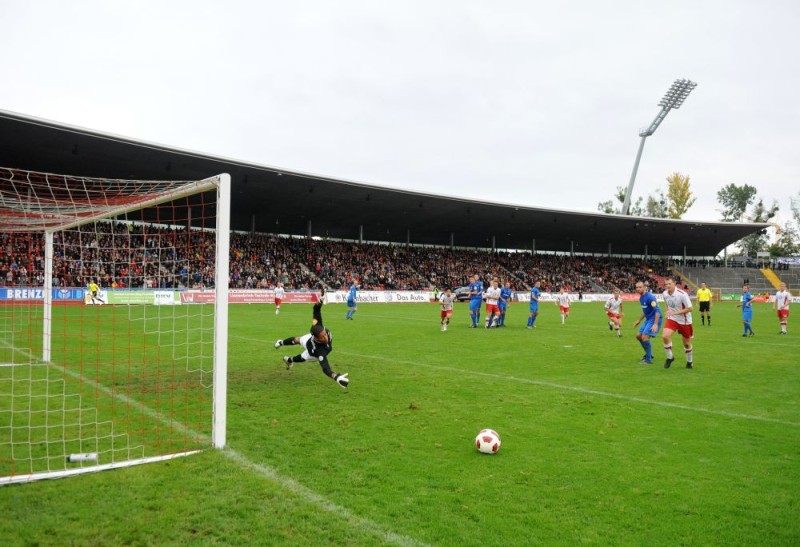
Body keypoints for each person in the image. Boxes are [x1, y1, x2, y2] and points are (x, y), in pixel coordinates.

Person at [275, 291, 349, 388]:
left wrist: (320, 301)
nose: (325, 337)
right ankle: (280, 343)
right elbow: (326, 368)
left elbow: (316, 309)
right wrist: (336, 377)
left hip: (312, 346)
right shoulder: (318, 348)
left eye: (325, 334)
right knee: (298, 341)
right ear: (316, 337)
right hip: (311, 347)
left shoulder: (318, 326)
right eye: (322, 337)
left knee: (302, 356)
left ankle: (289, 360)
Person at [661, 277, 694, 369]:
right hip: (672, 318)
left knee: (686, 344)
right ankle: (670, 357)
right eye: (666, 284)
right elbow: (666, 302)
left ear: (674, 284)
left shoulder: (682, 294)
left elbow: (690, 308)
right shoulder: (665, 293)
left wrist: (673, 312)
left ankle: (689, 361)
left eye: (669, 284)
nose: (667, 286)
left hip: (685, 321)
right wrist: (668, 311)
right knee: (665, 336)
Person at [632, 281, 662, 365]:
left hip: (655, 318)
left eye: (640, 287)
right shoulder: (641, 297)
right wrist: (638, 320)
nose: (638, 289)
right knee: (638, 336)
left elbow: (657, 311)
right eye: (636, 287)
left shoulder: (650, 297)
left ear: (645, 287)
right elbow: (645, 310)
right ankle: (649, 354)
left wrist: (655, 324)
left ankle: (648, 359)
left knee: (645, 337)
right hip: (648, 319)